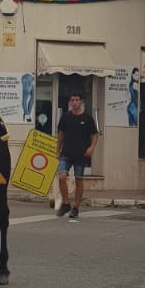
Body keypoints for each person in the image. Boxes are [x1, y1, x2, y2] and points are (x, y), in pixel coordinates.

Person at [55, 91, 98, 221]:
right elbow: (61, 134)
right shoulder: (65, 117)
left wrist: (92, 147)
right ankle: (66, 203)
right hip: (67, 152)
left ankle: (76, 208)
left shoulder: (88, 118)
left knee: (79, 180)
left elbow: (95, 134)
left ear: (81, 102)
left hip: (81, 154)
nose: (74, 103)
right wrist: (57, 150)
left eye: (77, 100)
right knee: (62, 176)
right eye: (72, 100)